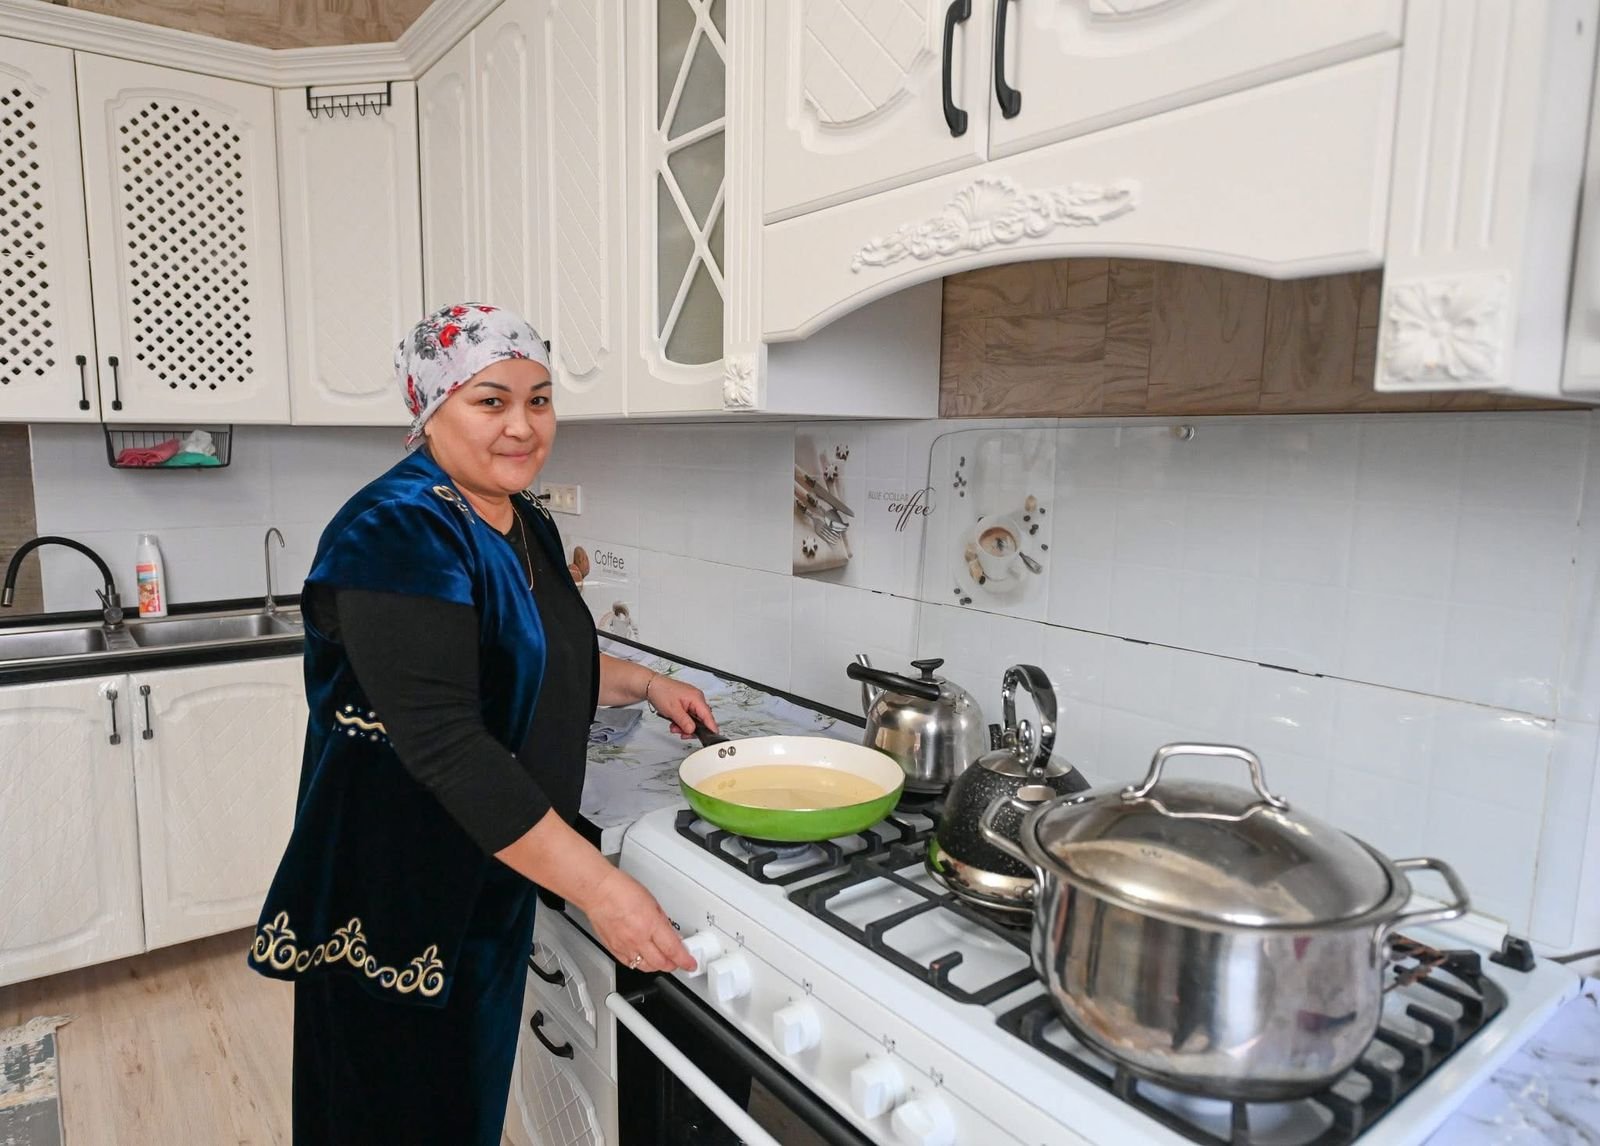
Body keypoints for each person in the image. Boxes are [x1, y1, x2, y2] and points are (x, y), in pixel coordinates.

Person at [249, 302, 709, 1144]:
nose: (522, 426)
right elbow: (448, 742)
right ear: (430, 409)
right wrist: (602, 890)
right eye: (490, 400)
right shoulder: (397, 530)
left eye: (539, 400)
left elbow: (525, 663)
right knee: (391, 1112)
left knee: (461, 1106)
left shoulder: (521, 517)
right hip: (404, 889)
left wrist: (645, 683)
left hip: (495, 860)